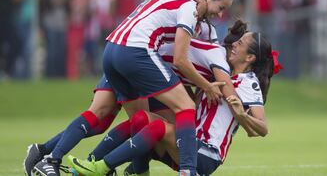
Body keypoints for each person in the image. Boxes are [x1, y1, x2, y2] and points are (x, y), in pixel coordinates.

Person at [30, 0, 234, 176]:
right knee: (184, 108)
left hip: (113, 49)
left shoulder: (181, 1)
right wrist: (207, 87)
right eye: (221, 7)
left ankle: (49, 158)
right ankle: (188, 170)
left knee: (115, 118)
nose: (220, 14)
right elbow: (181, 59)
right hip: (138, 53)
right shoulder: (190, 8)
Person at [68, 22, 283, 176]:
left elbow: (262, 129)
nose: (234, 44)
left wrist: (241, 116)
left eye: (242, 43)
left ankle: (102, 168)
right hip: (187, 142)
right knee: (141, 119)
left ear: (250, 57)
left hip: (207, 155)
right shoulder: (219, 72)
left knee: (157, 128)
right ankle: (101, 164)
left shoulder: (249, 82)